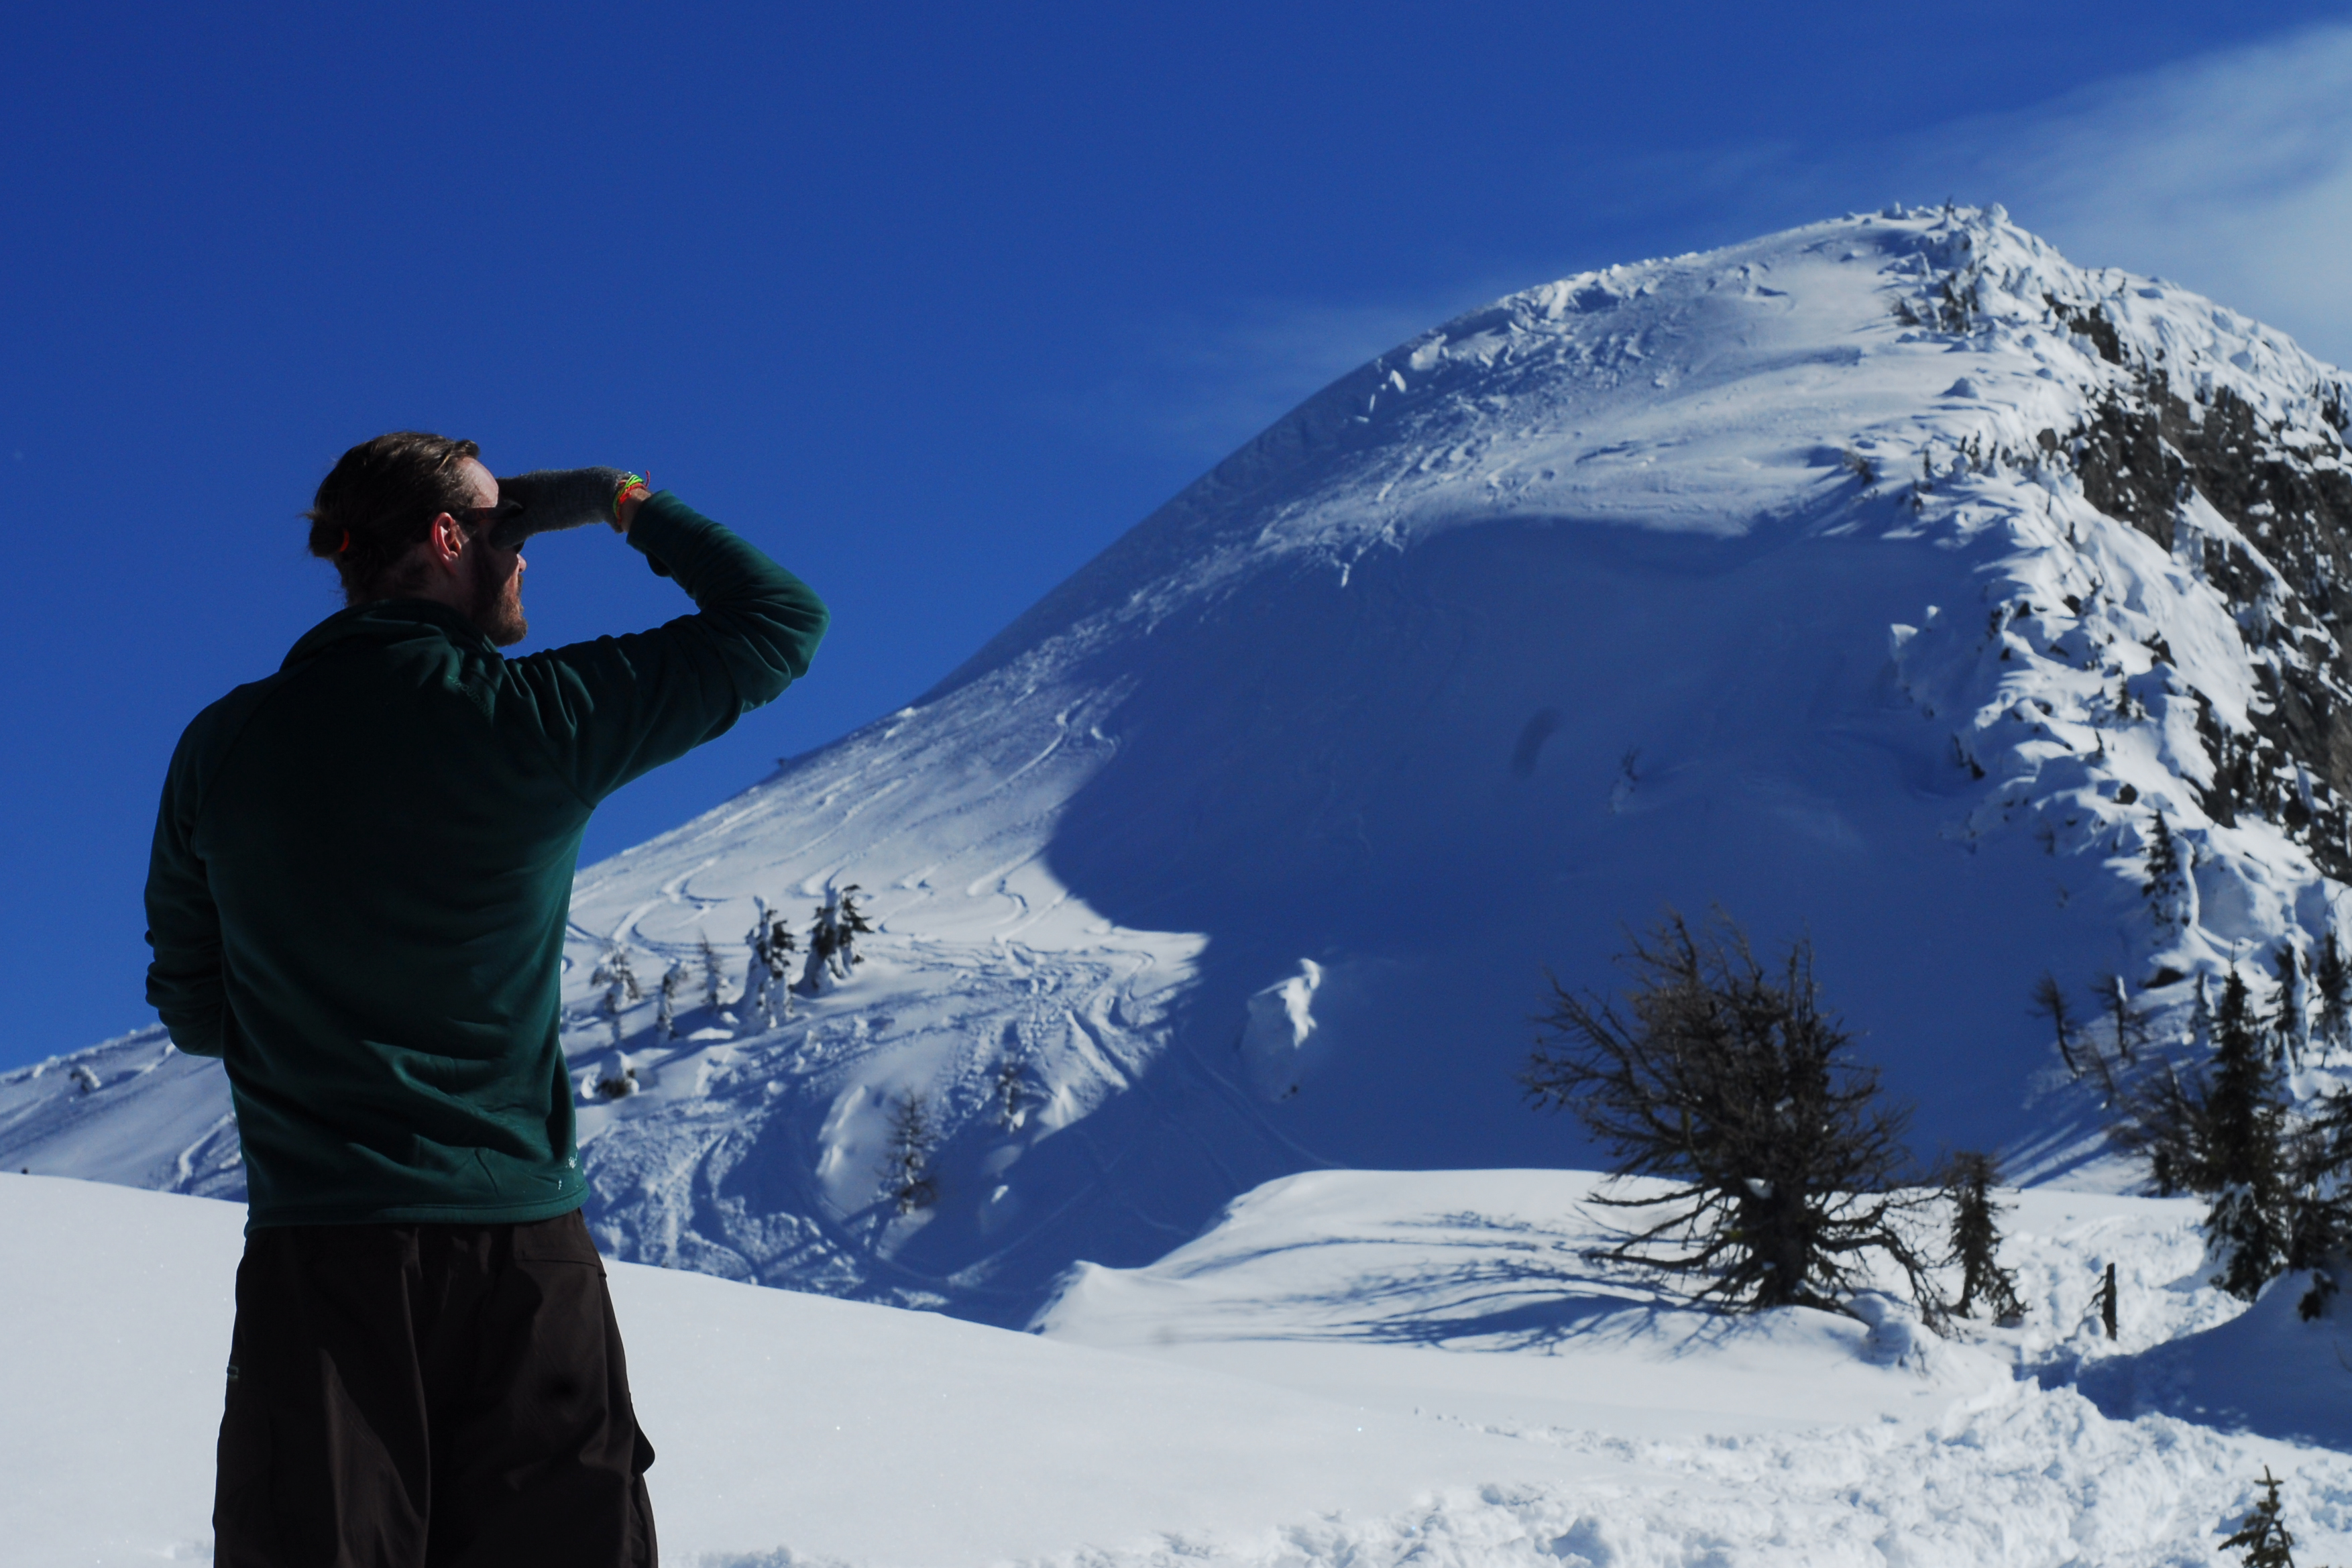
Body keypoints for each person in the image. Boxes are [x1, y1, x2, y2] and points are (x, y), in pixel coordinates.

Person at [143, 432, 829, 1566]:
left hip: (321, 1266)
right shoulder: (536, 718)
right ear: (451, 540)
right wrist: (618, 501)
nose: (525, 555)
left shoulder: (222, 748)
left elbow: (192, 1004)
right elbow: (778, 620)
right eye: (508, 526)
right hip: (524, 1265)